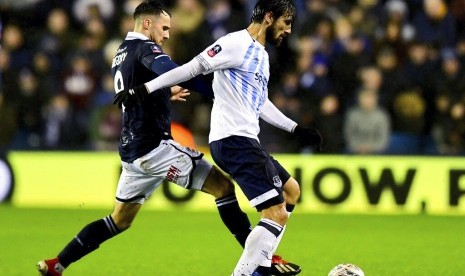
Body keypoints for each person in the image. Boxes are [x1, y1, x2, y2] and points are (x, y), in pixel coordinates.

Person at [36, 1, 300, 275]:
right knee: (222, 187)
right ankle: (261, 259)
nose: (167, 35)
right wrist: (219, 90)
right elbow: (168, 68)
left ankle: (58, 263)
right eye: (164, 28)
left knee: (119, 220)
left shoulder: (121, 52)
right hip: (155, 148)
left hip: (132, 151)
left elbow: (137, 89)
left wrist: (163, 93)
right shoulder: (146, 47)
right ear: (146, 24)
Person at [114, 0, 323, 275]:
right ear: (270, 18)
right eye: (287, 23)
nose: (289, 30)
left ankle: (263, 261)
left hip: (246, 139)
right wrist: (146, 88)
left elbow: (260, 102)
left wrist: (295, 129)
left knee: (291, 190)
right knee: (275, 213)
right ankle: (252, 269)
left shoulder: (261, 55)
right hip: (233, 140)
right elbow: (192, 68)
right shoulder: (235, 43)